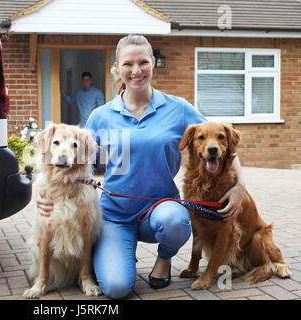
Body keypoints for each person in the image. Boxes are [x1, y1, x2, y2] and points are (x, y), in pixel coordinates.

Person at [37, 35, 247, 299]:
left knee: (176, 221)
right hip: (114, 214)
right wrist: (45, 192)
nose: (136, 71)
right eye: (128, 64)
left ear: (153, 64)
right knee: (115, 287)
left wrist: (240, 186)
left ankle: (164, 259)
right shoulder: (101, 115)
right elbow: (70, 159)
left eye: (143, 62)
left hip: (159, 209)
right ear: (117, 67)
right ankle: (121, 253)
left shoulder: (177, 108)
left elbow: (225, 144)